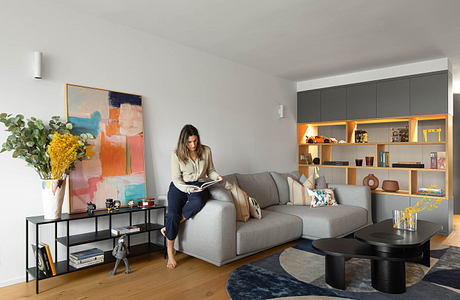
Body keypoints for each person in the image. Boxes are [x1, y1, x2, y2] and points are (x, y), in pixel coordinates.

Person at [161, 124, 222, 269]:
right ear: (184, 142)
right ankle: (170, 251)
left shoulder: (206, 150)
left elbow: (211, 170)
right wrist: (187, 189)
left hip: (199, 185)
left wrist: (217, 176)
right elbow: (176, 179)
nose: (193, 145)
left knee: (199, 201)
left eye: (195, 141)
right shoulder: (176, 154)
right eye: (189, 142)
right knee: (172, 215)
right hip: (180, 186)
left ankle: (168, 228)